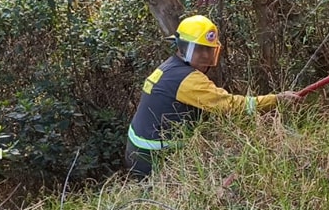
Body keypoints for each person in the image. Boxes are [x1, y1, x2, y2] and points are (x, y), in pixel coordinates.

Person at [125, 15, 299, 178]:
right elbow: (230, 105)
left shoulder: (169, 67)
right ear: (183, 47)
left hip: (138, 148)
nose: (206, 57)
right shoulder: (188, 79)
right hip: (153, 158)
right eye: (200, 50)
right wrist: (275, 100)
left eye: (210, 51)